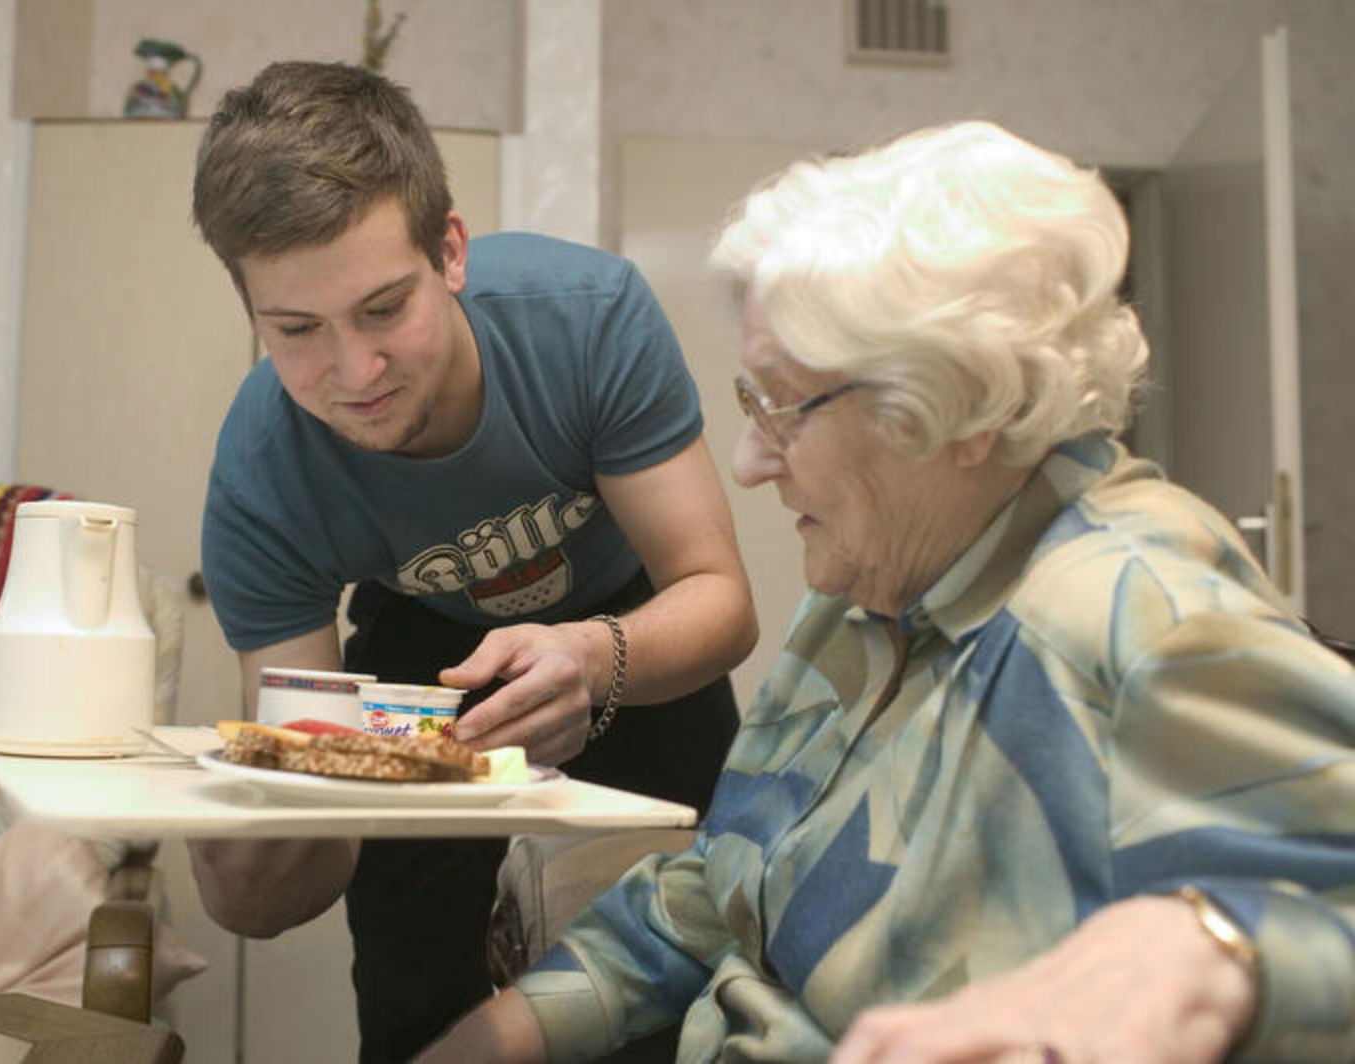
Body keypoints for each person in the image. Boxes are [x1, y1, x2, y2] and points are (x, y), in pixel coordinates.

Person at [418, 120, 1355, 1063]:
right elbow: (716, 891)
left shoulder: (1137, 605)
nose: (748, 463)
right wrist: (498, 1039)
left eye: (782, 407)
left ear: (959, 409)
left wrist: (1214, 951)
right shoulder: (870, 585)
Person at [184, 61, 758, 1062]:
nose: (354, 373)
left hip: (627, 621)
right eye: (296, 331)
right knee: (420, 1002)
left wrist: (591, 655)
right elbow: (295, 863)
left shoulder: (587, 317)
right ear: (248, 309)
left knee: (709, 970)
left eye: (381, 308)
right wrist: (255, 846)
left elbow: (718, 598)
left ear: (449, 251)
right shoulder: (261, 473)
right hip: (419, 654)